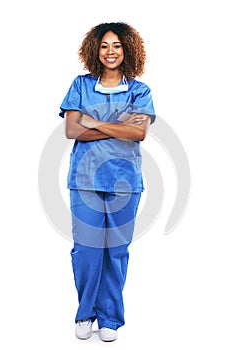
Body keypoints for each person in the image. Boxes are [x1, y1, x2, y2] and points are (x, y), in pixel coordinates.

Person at [59, 22, 155, 342]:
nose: (110, 51)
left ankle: (110, 317)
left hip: (124, 182)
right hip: (84, 180)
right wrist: (118, 125)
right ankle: (86, 313)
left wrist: (94, 122)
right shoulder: (81, 85)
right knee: (86, 250)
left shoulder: (139, 91)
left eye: (116, 45)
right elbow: (72, 129)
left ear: (127, 49)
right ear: (94, 50)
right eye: (104, 46)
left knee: (116, 251)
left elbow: (138, 132)